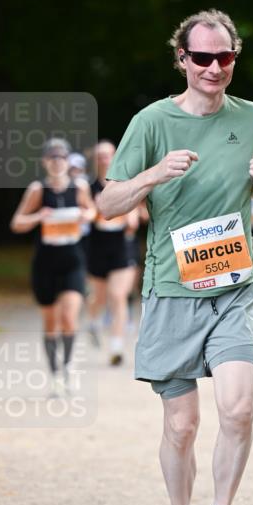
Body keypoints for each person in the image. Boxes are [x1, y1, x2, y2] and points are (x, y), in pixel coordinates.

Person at [99, 8, 253, 505]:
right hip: (172, 290)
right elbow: (107, 204)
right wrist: (154, 174)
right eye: (202, 57)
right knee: (182, 426)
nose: (214, 68)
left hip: (234, 286)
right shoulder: (151, 122)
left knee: (239, 409)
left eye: (224, 57)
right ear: (182, 59)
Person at [10, 137, 96, 394]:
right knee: (51, 324)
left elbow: (93, 211)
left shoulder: (79, 187)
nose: (57, 161)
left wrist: (85, 215)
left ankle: (67, 368)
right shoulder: (38, 190)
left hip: (73, 261)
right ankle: (55, 375)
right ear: (44, 162)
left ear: (68, 161)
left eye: (62, 157)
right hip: (45, 264)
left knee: (69, 317)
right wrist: (39, 216)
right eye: (52, 157)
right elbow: (17, 223)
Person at [85, 140, 140, 365]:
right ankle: (93, 322)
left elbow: (134, 217)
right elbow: (87, 213)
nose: (104, 160)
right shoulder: (87, 187)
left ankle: (117, 347)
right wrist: (93, 211)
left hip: (122, 247)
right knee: (98, 298)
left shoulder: (125, 183)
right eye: (99, 156)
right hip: (97, 247)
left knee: (118, 296)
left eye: (107, 155)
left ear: (115, 156)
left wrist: (130, 217)